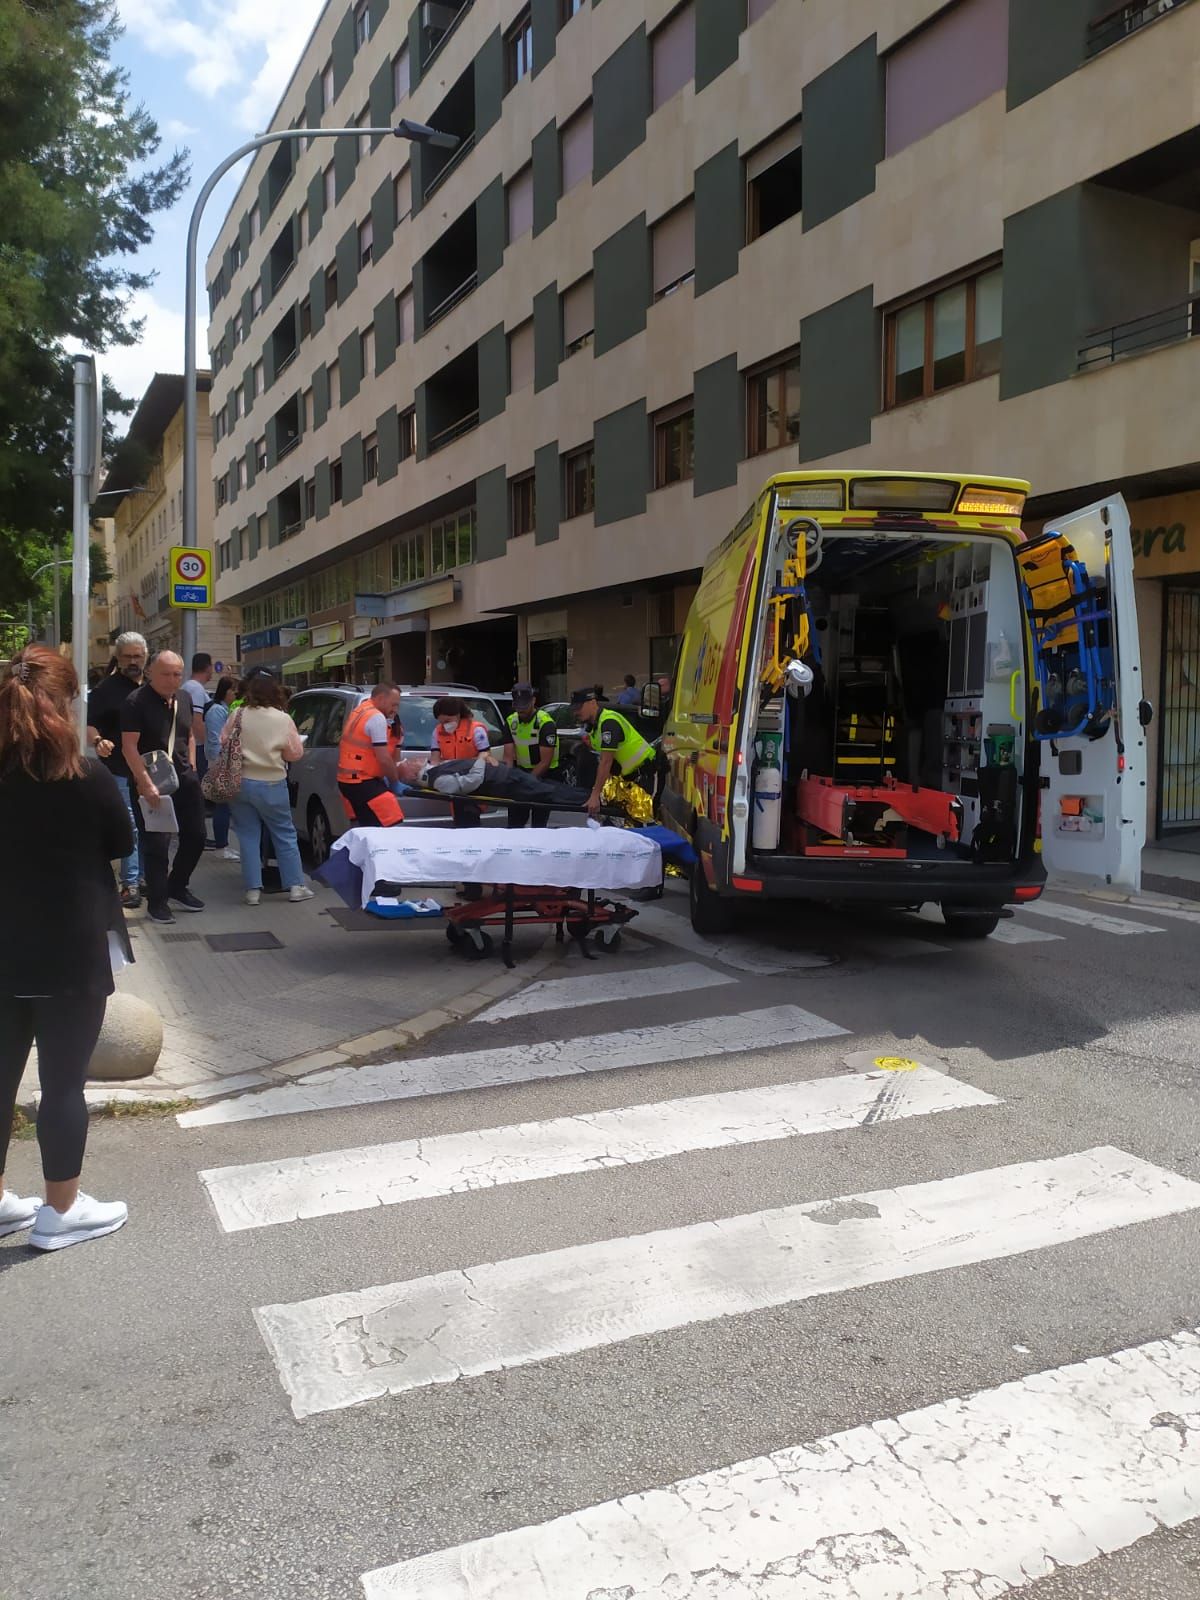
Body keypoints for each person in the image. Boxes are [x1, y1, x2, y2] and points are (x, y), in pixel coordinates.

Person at [0, 646, 131, 1252]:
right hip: (70, 945)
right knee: (61, 1085)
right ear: (69, 700)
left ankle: (2, 1201)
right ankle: (61, 1209)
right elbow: (119, 839)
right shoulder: (83, 772)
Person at [120, 649, 207, 926]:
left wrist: (192, 764)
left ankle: (177, 887)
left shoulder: (184, 697)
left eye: (177, 674)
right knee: (157, 845)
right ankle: (157, 903)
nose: (172, 680)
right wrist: (144, 783)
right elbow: (129, 747)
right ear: (151, 673)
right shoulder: (136, 702)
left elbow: (189, 734)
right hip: (152, 784)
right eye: (166, 674)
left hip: (184, 780)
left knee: (196, 836)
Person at [224, 672, 313, 907]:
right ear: (275, 693)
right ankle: (295, 886)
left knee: (248, 836)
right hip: (272, 782)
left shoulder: (238, 714)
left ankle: (253, 890)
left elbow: (224, 741)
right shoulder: (282, 719)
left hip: (240, 782)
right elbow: (295, 753)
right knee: (284, 833)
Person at [85, 629, 148, 909]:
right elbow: (89, 724)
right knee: (131, 826)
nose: (134, 661)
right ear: (118, 658)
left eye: (138, 656)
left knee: (153, 826)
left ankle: (146, 877)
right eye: (128, 657)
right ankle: (131, 883)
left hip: (152, 768)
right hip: (120, 768)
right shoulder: (106, 690)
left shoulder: (154, 686)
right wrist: (98, 741)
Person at [571, 686, 656, 817]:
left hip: (646, 775)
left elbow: (606, 762)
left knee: (644, 823)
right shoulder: (595, 726)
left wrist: (595, 795)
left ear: (593, 703)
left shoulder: (608, 723)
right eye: (574, 709)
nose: (576, 712)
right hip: (630, 779)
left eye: (579, 708)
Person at [336, 682, 406, 828]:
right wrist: (394, 781)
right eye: (393, 704)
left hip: (348, 781)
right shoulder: (376, 717)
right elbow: (384, 758)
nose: (395, 709)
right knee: (393, 822)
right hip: (363, 780)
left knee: (366, 828)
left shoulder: (360, 710)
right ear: (381, 698)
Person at [502, 682, 561, 829]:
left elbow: (545, 762)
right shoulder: (511, 721)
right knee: (514, 823)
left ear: (533, 701)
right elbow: (508, 756)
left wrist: (527, 781)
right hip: (522, 772)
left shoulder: (545, 723)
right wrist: (508, 778)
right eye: (518, 706)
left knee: (538, 824)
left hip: (544, 776)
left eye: (524, 706)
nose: (521, 710)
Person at [432, 696, 493, 829]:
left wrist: (473, 767)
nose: (445, 725)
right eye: (442, 722)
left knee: (470, 818)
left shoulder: (475, 730)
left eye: (447, 721)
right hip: (453, 783)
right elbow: (435, 758)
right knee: (459, 820)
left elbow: (486, 754)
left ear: (458, 715)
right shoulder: (438, 732)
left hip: (473, 781)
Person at [204, 675, 240, 860]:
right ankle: (221, 845)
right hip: (220, 762)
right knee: (222, 805)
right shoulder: (218, 711)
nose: (235, 694)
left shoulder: (221, 709)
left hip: (220, 761)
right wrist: (222, 764)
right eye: (233, 690)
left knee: (224, 805)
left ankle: (222, 844)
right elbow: (215, 739)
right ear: (225, 691)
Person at [181, 652, 215, 760]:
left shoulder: (188, 686)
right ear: (208, 668)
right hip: (198, 748)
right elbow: (196, 722)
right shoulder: (196, 688)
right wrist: (209, 746)